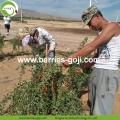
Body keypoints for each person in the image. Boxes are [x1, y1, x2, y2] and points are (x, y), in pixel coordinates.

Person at [63, 5, 120, 115]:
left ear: (97, 16)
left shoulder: (113, 26)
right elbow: (96, 57)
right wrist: (80, 68)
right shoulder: (101, 33)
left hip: (107, 74)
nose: (90, 27)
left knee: (101, 110)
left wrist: (72, 57)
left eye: (89, 23)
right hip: (97, 72)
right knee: (93, 102)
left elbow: (91, 46)